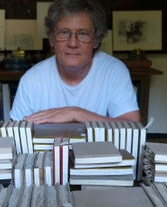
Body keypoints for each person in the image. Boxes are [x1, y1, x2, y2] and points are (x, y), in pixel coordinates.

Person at [9, 0, 140, 124]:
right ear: (52, 39)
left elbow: (133, 127)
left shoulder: (114, 71)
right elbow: (15, 136)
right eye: (64, 33)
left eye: (83, 34)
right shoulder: (31, 80)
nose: (73, 43)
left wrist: (76, 113)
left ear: (95, 40)